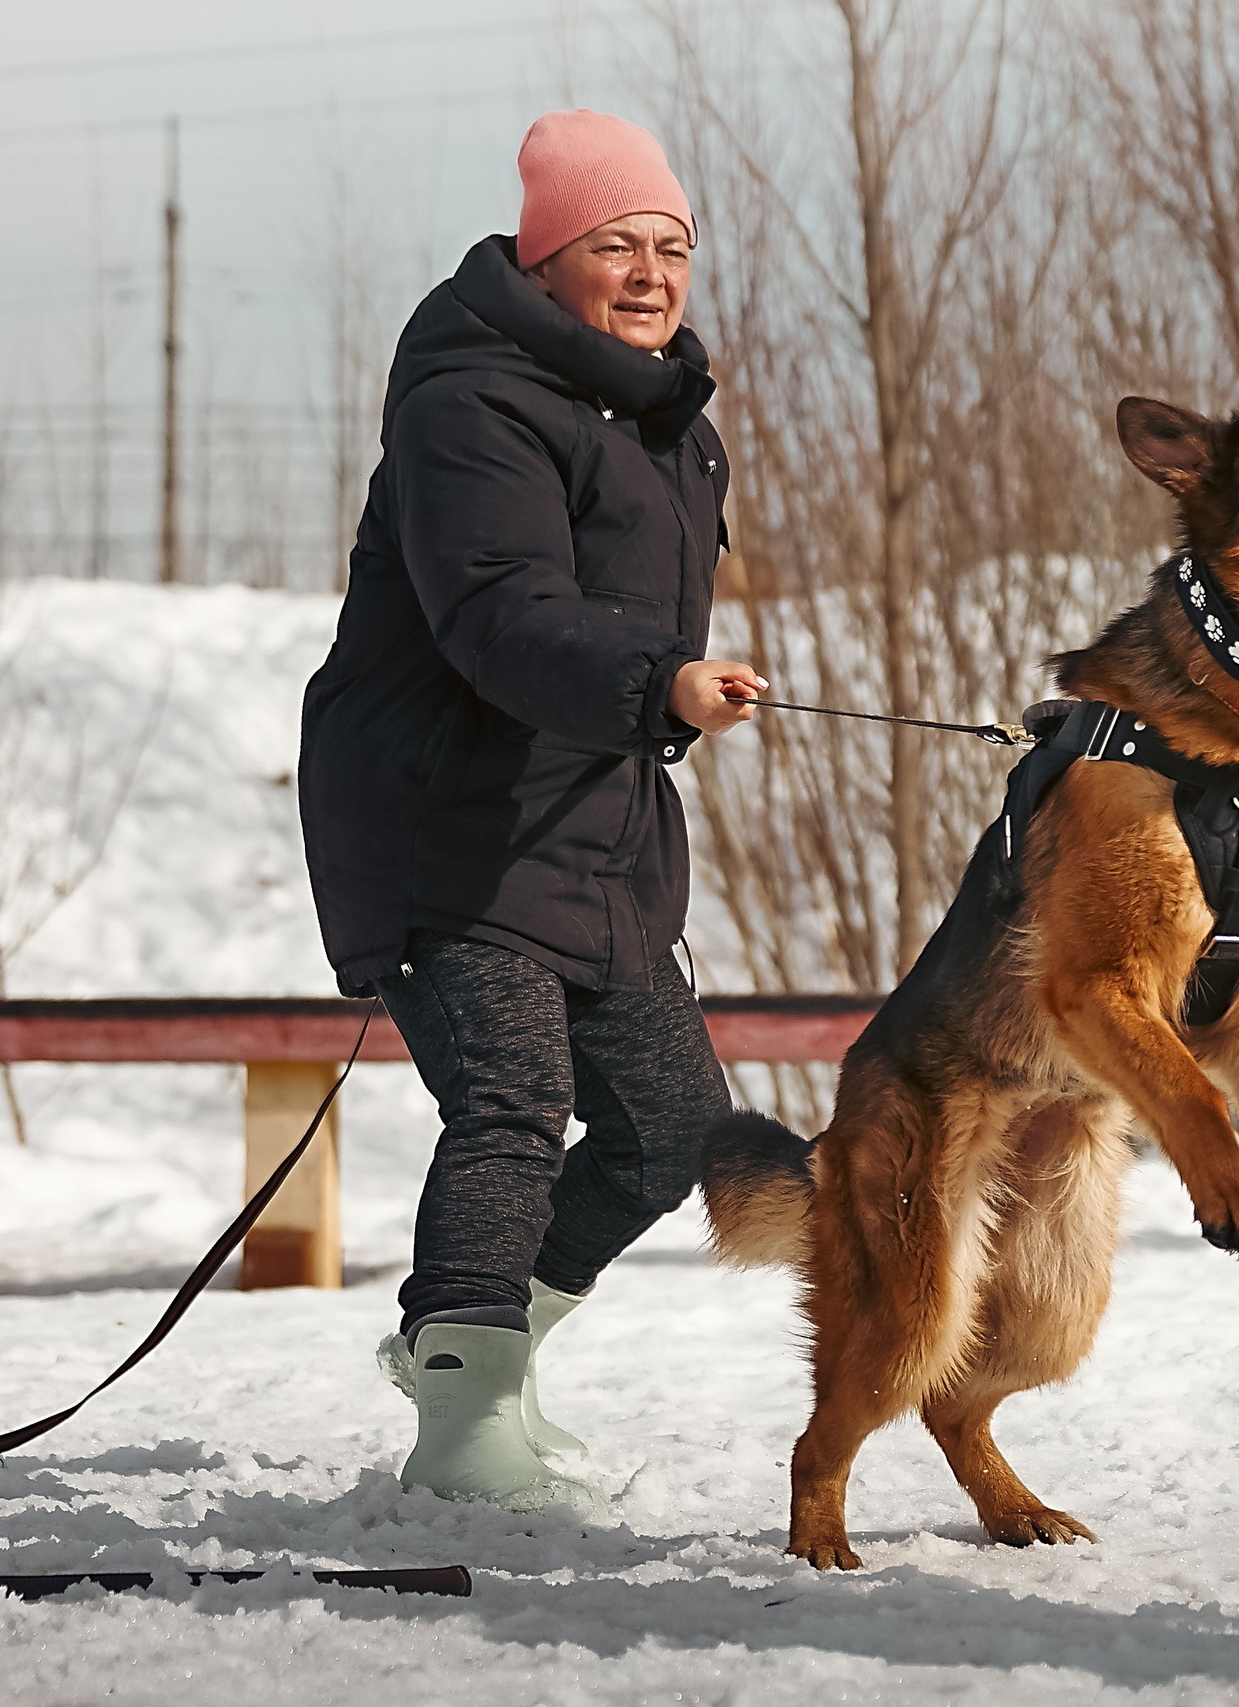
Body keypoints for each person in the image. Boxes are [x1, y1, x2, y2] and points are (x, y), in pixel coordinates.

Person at [298, 109, 762, 1512]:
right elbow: (501, 612)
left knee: (676, 1130)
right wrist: (659, 682)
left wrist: (655, 697)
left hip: (589, 824)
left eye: (671, 246)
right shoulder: (471, 403)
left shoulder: (667, 425)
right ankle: (460, 1418)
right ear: (543, 254)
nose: (649, 271)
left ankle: (481, 1351)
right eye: (613, 241)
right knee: (511, 1103)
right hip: (449, 822)